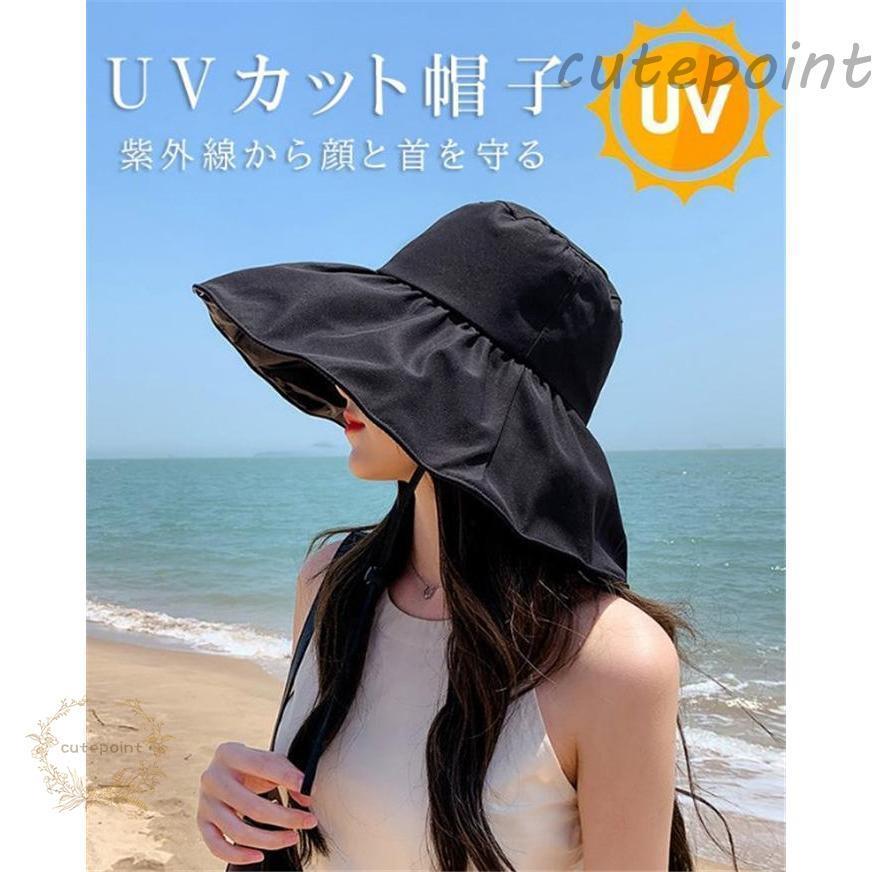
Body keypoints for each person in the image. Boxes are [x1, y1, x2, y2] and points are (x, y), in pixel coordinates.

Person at [192, 201, 735, 870]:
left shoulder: (614, 658)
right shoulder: (331, 581)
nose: (344, 383)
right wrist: (238, 800)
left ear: (469, 402)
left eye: (388, 358)